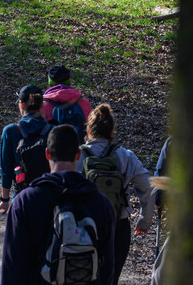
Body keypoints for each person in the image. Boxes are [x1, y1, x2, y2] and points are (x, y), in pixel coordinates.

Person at [0, 124, 116, 285]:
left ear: (47, 154)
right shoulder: (102, 204)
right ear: (78, 155)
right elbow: (108, 267)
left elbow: (13, 265)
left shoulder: (25, 201)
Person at [80, 104, 155, 284]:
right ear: (112, 131)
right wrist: (144, 221)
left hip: (83, 226)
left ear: (88, 130)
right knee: (111, 279)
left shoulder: (76, 156)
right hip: (118, 226)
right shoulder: (125, 156)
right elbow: (149, 187)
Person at [0, 85, 51, 216]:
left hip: (21, 195)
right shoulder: (53, 130)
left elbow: (6, 168)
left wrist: (4, 200)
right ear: (42, 105)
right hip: (47, 196)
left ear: (21, 105)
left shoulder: (10, 131)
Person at [41, 64, 94, 137]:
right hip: (78, 143)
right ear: (69, 82)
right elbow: (91, 132)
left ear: (50, 83)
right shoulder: (84, 103)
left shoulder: (42, 106)